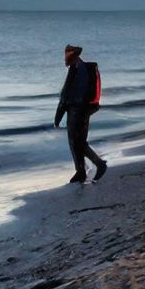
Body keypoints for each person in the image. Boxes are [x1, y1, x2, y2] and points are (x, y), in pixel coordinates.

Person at [54, 44, 107, 184]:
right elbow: (67, 94)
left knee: (77, 142)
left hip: (78, 111)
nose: (65, 59)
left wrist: (59, 115)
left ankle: (98, 164)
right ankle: (81, 171)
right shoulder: (78, 68)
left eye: (67, 56)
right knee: (76, 142)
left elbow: (68, 95)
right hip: (78, 110)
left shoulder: (80, 70)